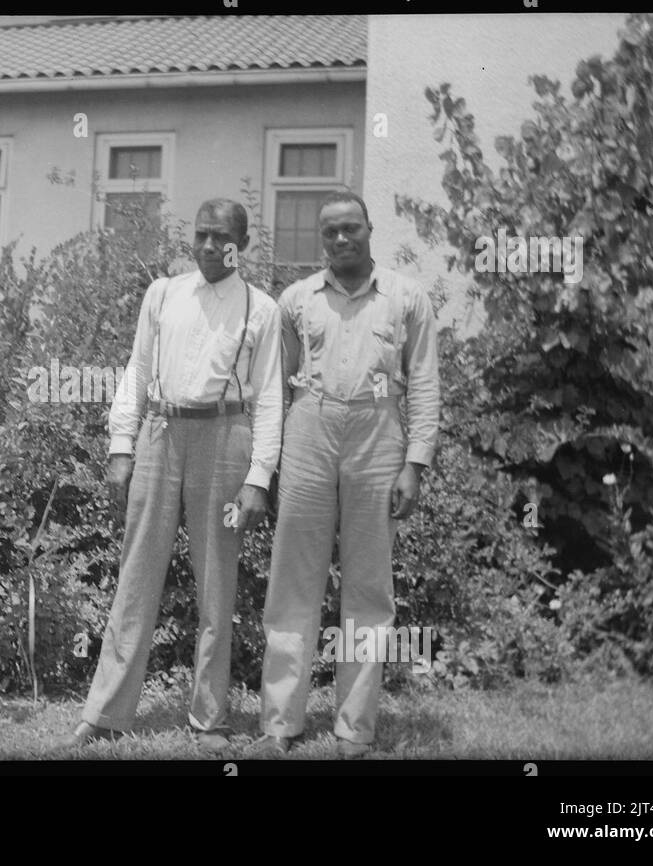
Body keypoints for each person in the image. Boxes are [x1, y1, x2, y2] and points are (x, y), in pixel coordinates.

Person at [64, 199, 283, 752]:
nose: (210, 246)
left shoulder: (261, 307)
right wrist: (120, 442)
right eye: (201, 235)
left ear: (242, 244)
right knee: (136, 574)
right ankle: (106, 713)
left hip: (225, 438)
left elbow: (271, 397)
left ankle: (209, 718)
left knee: (217, 583)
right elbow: (137, 368)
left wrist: (259, 477)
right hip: (160, 434)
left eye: (222, 238)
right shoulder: (163, 293)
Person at [254, 192, 440, 758]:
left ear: (369, 230)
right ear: (322, 238)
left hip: (378, 434)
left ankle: (353, 728)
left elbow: (425, 384)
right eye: (330, 231)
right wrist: (267, 459)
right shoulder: (296, 300)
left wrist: (415, 463)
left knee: (367, 587)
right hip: (309, 427)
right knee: (293, 582)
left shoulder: (408, 298)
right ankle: (280, 723)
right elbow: (273, 383)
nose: (340, 239)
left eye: (350, 229)